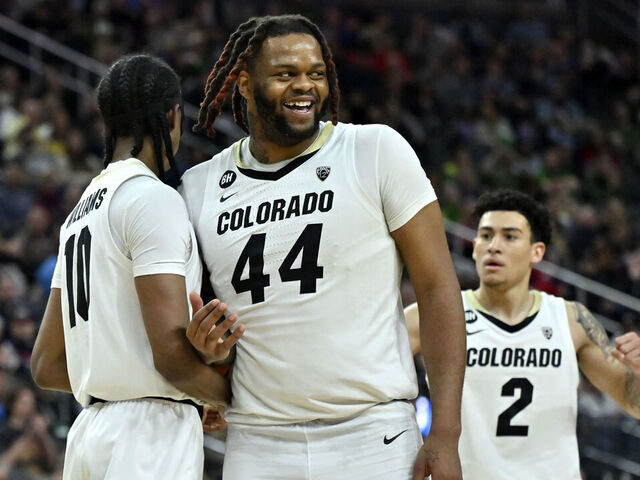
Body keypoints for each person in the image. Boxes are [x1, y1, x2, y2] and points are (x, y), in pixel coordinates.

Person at [180, 14, 465, 480]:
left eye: (315, 72)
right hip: (259, 441)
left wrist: (447, 433)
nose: (305, 86)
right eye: (285, 74)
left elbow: (437, 287)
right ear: (244, 84)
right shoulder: (199, 188)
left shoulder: (375, 151)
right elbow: (206, 328)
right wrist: (210, 361)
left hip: (375, 435)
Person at [30, 54, 242, 480]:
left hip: (89, 436)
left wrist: (116, 377)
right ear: (171, 117)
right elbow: (171, 359)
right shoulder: (152, 198)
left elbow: (46, 365)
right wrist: (229, 398)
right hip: (148, 439)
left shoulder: (78, 214)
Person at [404, 189, 640, 479]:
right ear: (474, 246)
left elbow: (633, 402)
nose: (494, 246)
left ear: (536, 252)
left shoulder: (572, 319)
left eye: (509, 236)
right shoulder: (433, 315)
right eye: (486, 235)